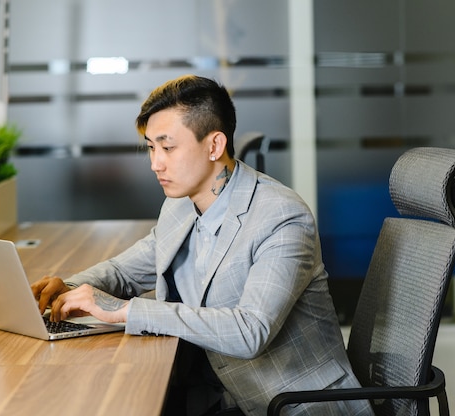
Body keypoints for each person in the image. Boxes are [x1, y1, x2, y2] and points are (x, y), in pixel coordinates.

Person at [31, 75, 373, 416]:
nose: (155, 163)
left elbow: (250, 331)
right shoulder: (180, 203)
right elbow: (128, 269)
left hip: (289, 404)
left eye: (168, 148)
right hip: (210, 394)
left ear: (214, 146)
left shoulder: (281, 216)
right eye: (151, 147)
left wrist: (126, 311)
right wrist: (72, 287)